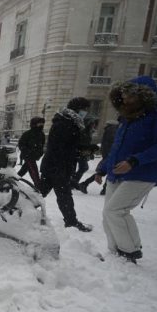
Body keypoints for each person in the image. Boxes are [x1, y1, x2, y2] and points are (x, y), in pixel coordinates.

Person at [96, 77, 157, 263]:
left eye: (130, 95)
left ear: (143, 95)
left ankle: (129, 252)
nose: (126, 99)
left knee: (116, 211)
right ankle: (114, 252)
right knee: (108, 214)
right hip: (117, 172)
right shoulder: (127, 118)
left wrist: (134, 161)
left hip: (141, 172)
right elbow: (117, 147)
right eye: (123, 95)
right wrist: (102, 168)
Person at [40, 97, 92, 232]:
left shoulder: (70, 122)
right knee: (62, 195)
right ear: (77, 109)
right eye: (84, 109)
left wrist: (82, 150)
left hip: (57, 166)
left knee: (41, 193)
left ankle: (16, 209)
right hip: (57, 167)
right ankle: (71, 221)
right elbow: (60, 147)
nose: (86, 112)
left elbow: (67, 146)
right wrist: (78, 151)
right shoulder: (65, 123)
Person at [76, 119, 118, 194]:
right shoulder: (113, 130)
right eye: (93, 124)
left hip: (108, 154)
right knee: (108, 170)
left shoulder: (109, 130)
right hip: (110, 155)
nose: (94, 126)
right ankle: (84, 184)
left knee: (105, 171)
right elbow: (110, 144)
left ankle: (85, 184)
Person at [17, 117, 46, 189]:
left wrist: (40, 153)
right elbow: (21, 144)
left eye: (42, 123)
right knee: (34, 170)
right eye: (39, 123)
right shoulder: (27, 134)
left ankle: (13, 179)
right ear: (34, 124)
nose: (41, 125)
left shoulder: (42, 134)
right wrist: (28, 152)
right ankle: (38, 186)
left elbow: (41, 145)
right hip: (28, 156)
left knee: (24, 170)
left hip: (35, 156)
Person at [71, 117, 99, 190]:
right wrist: (90, 148)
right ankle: (72, 183)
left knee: (81, 168)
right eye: (92, 123)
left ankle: (72, 183)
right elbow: (81, 144)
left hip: (83, 152)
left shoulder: (89, 131)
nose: (94, 125)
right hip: (79, 152)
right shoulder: (83, 131)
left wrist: (90, 152)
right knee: (82, 167)